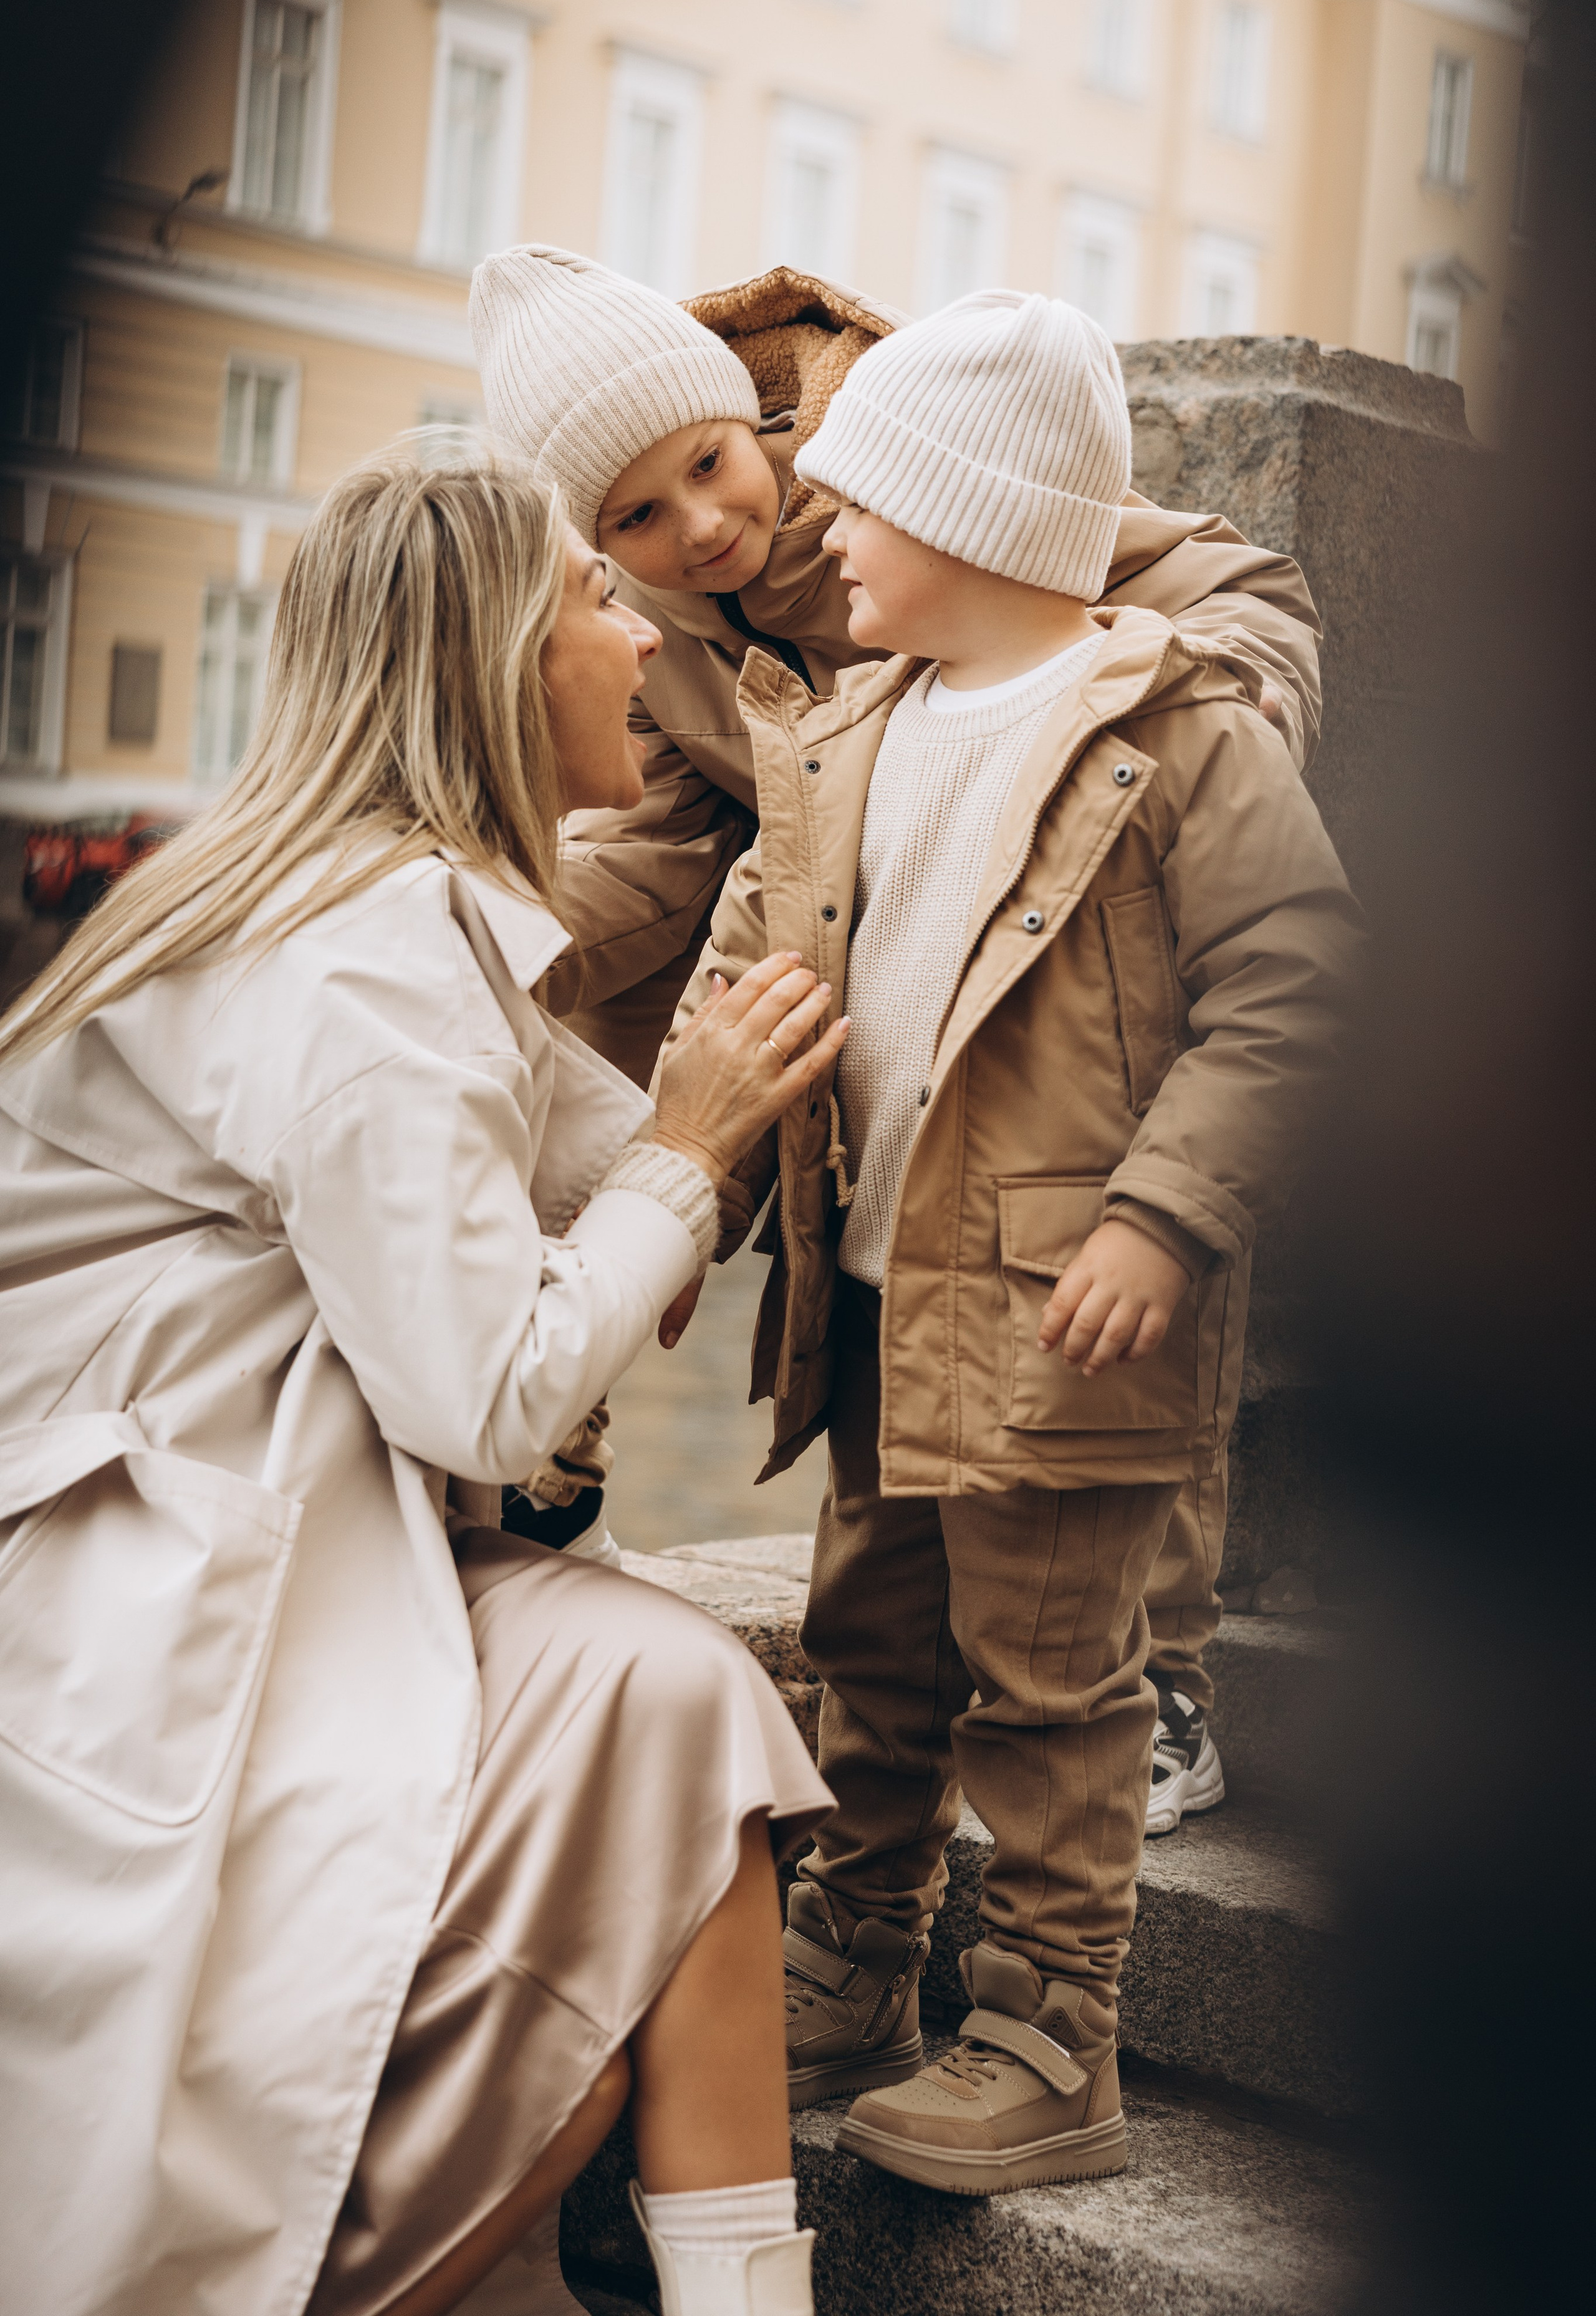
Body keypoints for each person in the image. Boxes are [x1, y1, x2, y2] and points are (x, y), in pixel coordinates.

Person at [0, 446, 850, 2316]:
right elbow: (497, 1394)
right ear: (492, 655)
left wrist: (684, 1159)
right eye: (593, 600)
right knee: (675, 1721)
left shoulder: (374, 904)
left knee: (673, 1710)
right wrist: (689, 1158)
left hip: (186, 1579)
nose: (638, 638)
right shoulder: (365, 959)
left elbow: (597, 1190)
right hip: (157, 1642)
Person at [656, 292, 1363, 2194]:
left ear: (965, 519)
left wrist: (1167, 1213)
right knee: (870, 1650)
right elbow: (748, 976)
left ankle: (1052, 2036)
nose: (826, 539)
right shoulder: (854, 726)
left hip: (1072, 1310)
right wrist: (678, 1194)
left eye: (858, 502)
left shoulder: (1174, 731)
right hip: (880, 1301)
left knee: (1054, 1686)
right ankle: (857, 1958)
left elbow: (1291, 989)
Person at [469, 246, 1329, 1808]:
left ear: (755, 420)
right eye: (635, 522)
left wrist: (1222, 724)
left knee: (1111, 1319)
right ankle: (563, 1460)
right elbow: (666, 853)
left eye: (712, 471)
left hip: (1056, 931)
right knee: (879, 1342)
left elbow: (1214, 586)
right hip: (872, 956)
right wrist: (483, 929)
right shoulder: (666, 637)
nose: (702, 529)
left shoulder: (927, 473)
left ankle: (1165, 1682)